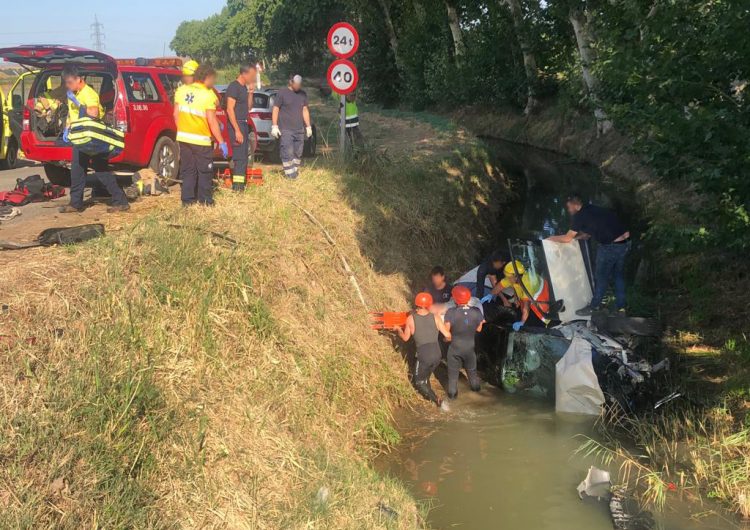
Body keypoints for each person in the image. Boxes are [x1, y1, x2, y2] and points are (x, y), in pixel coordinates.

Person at [58, 65, 129, 214]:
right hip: (80, 138)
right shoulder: (73, 93)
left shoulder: (88, 94)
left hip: (92, 139)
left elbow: (94, 113)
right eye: (66, 83)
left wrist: (79, 104)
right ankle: (76, 203)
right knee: (77, 170)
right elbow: (72, 115)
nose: (68, 86)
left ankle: (120, 201)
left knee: (100, 169)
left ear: (79, 79)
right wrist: (67, 128)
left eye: (70, 83)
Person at [547, 194, 630, 315]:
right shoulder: (591, 209)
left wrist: (550, 238)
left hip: (610, 247)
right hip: (625, 243)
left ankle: (594, 306)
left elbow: (566, 238)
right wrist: (579, 238)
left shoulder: (579, 216)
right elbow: (588, 233)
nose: (569, 210)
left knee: (601, 277)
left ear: (575, 205)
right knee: (618, 276)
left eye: (569, 207)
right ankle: (621, 308)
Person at [174, 64, 227, 206]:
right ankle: (205, 201)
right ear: (207, 78)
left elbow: (176, 115)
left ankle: (187, 201)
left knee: (188, 170)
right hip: (201, 140)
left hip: (184, 139)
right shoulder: (208, 94)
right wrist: (221, 141)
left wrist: (183, 131)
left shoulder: (181, 90)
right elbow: (212, 121)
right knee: (205, 171)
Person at [395, 292, 452, 406]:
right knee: (425, 375)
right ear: (429, 304)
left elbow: (405, 338)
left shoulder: (411, 319)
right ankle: (430, 391)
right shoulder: (435, 317)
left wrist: (398, 330)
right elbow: (448, 335)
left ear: (416, 303)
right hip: (437, 354)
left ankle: (437, 400)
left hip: (424, 355)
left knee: (419, 382)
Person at [444, 286, 485, 399]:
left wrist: (445, 339)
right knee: (473, 375)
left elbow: (446, 332)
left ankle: (452, 399)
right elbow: (479, 329)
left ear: (456, 299)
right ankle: (478, 396)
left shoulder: (451, 312)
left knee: (453, 378)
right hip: (470, 349)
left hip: (455, 349)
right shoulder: (476, 312)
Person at [271, 75, 312, 180]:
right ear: (290, 82)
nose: (298, 86)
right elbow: (275, 109)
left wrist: (308, 126)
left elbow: (305, 110)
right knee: (287, 152)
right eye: (296, 84)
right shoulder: (282, 93)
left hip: (299, 129)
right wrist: (274, 126)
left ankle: (294, 171)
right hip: (286, 129)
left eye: (300, 84)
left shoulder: (302, 94)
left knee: (298, 152)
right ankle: (291, 176)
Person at [225, 63, 256, 191]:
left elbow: (248, 107)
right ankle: (237, 188)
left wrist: (251, 93)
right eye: (252, 75)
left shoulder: (244, 88)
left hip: (244, 123)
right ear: (244, 73)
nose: (253, 78)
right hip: (236, 124)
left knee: (244, 157)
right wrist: (237, 130)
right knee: (238, 158)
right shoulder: (234, 87)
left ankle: (241, 185)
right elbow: (229, 109)